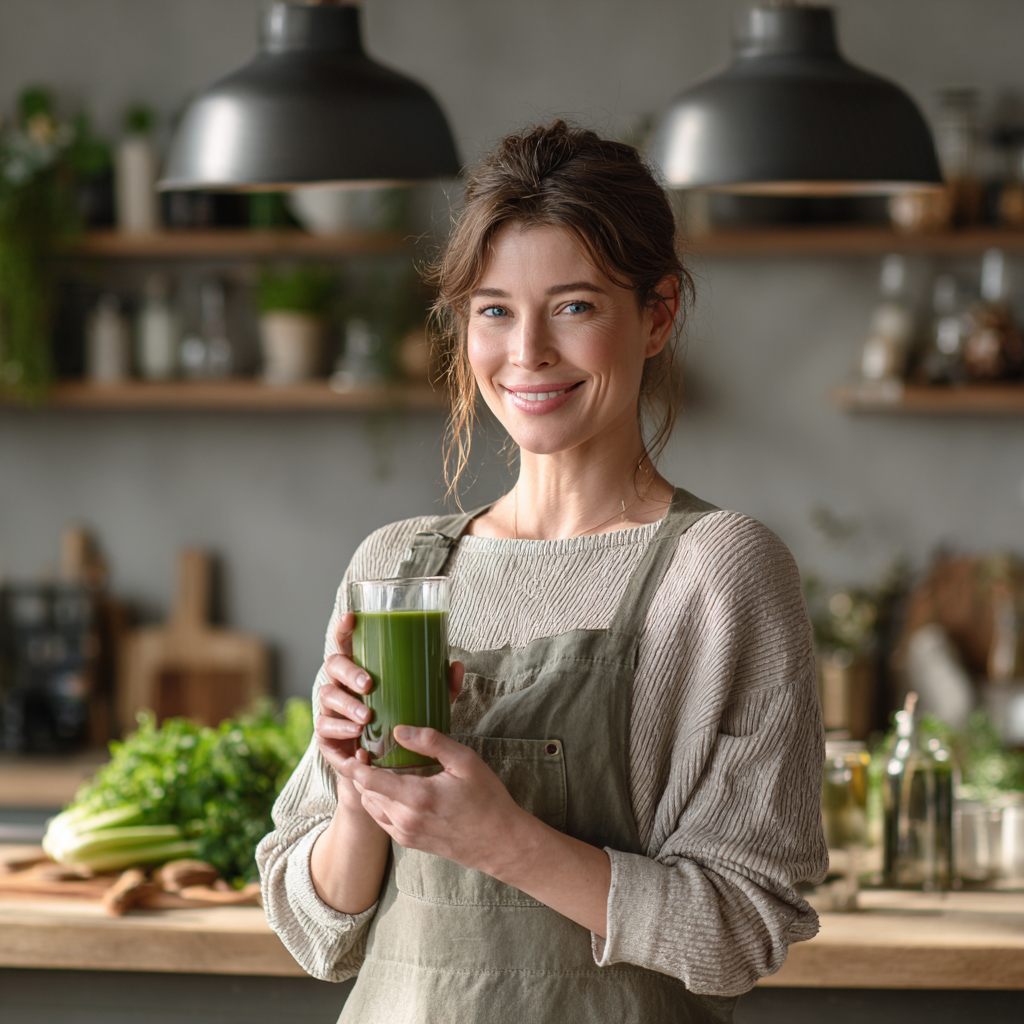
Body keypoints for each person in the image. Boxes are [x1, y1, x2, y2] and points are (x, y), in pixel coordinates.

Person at [258, 120, 827, 1024]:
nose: (527, 352)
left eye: (574, 307)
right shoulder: (395, 566)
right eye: (494, 310)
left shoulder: (720, 572)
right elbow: (316, 931)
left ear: (657, 315)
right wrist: (358, 791)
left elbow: (738, 937)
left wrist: (508, 842)